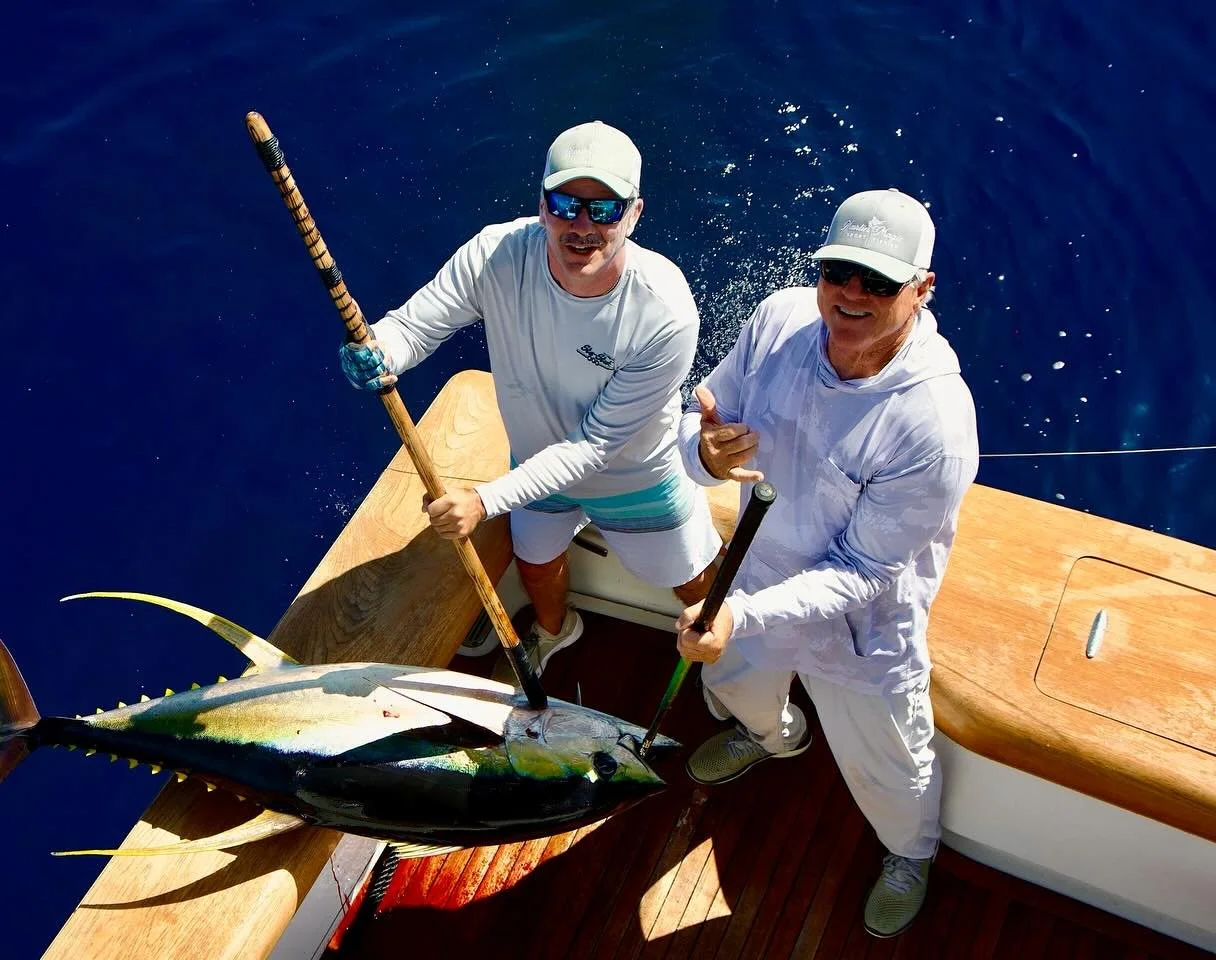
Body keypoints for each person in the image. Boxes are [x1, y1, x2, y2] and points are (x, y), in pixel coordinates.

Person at [673, 188, 979, 938]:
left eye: (879, 281)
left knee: (889, 765)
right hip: (751, 585)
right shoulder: (779, 319)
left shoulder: (934, 424)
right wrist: (703, 453)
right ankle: (773, 737)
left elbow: (864, 572)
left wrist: (738, 613)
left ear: (922, 289)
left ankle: (910, 852)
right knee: (736, 688)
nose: (852, 293)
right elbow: (702, 418)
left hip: (861, 628)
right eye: (839, 271)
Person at [339, 120, 722, 675]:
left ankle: (719, 656)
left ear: (635, 214)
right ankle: (555, 632)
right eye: (566, 205)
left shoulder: (665, 311)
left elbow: (594, 446)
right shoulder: (494, 255)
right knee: (536, 567)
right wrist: (381, 352)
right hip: (534, 466)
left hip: (634, 478)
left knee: (690, 581)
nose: (582, 226)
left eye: (605, 209)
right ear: (542, 205)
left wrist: (485, 501)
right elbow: (413, 327)